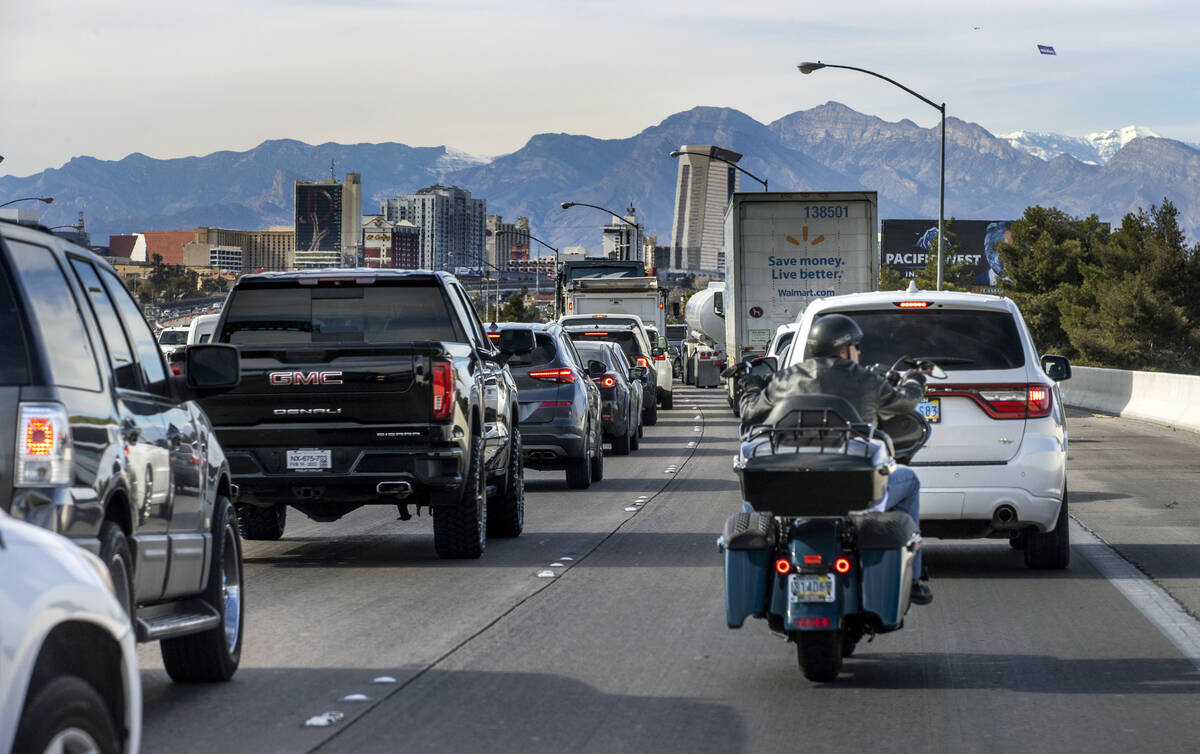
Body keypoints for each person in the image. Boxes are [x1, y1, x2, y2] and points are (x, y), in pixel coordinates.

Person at [736, 313, 934, 605]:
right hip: (854, 489)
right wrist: (915, 380)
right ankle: (914, 578)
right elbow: (904, 401)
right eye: (856, 347)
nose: (859, 353)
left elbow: (750, 411)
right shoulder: (867, 380)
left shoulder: (786, 379)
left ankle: (756, 570)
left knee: (752, 488)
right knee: (911, 481)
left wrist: (751, 386)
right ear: (843, 349)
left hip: (788, 487)